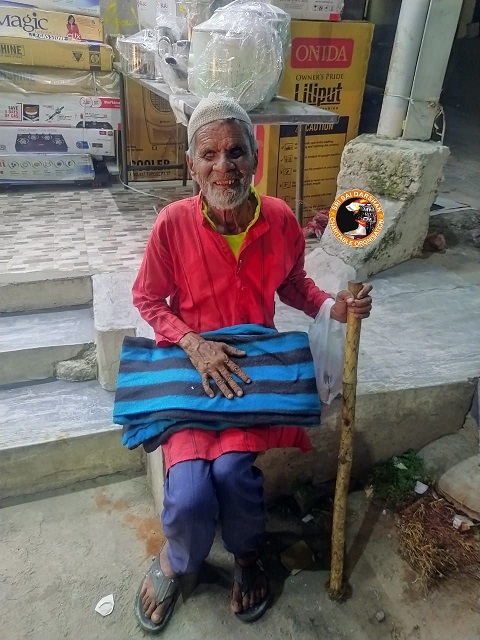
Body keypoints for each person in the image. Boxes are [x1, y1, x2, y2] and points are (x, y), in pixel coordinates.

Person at [132, 95, 373, 632]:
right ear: (192, 165)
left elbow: (293, 284)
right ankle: (177, 559)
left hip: (249, 372)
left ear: (255, 158)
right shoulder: (172, 224)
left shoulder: (280, 219)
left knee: (233, 472)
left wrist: (332, 307)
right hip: (191, 368)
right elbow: (147, 299)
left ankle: (246, 556)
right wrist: (193, 343)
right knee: (189, 491)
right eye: (209, 154)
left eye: (236, 151)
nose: (224, 166)